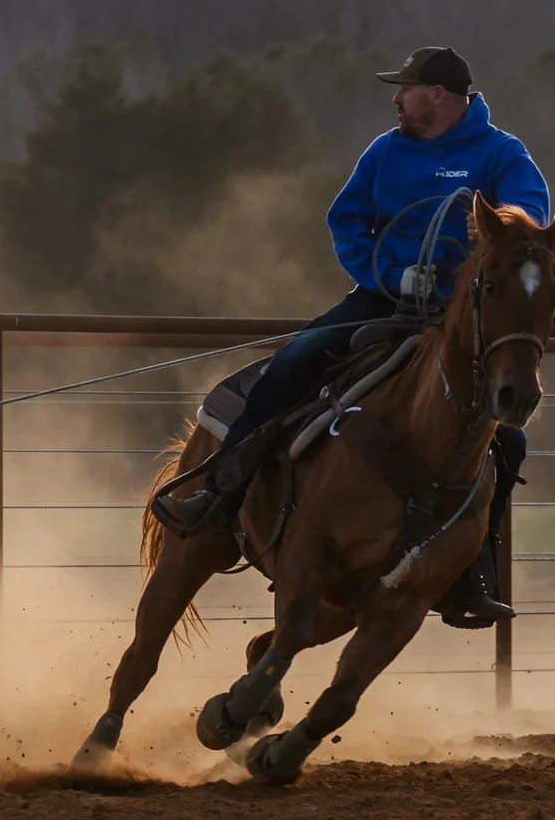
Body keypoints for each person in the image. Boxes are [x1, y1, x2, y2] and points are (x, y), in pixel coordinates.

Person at [153, 46, 548, 624]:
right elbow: (346, 222)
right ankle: (220, 490)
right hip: (382, 299)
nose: (396, 99)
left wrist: (492, 230)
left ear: (436, 97)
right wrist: (392, 274)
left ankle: (471, 574)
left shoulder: (503, 154)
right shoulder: (385, 153)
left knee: (506, 441)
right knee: (296, 360)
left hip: (463, 320)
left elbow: (528, 218)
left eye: (406, 89)